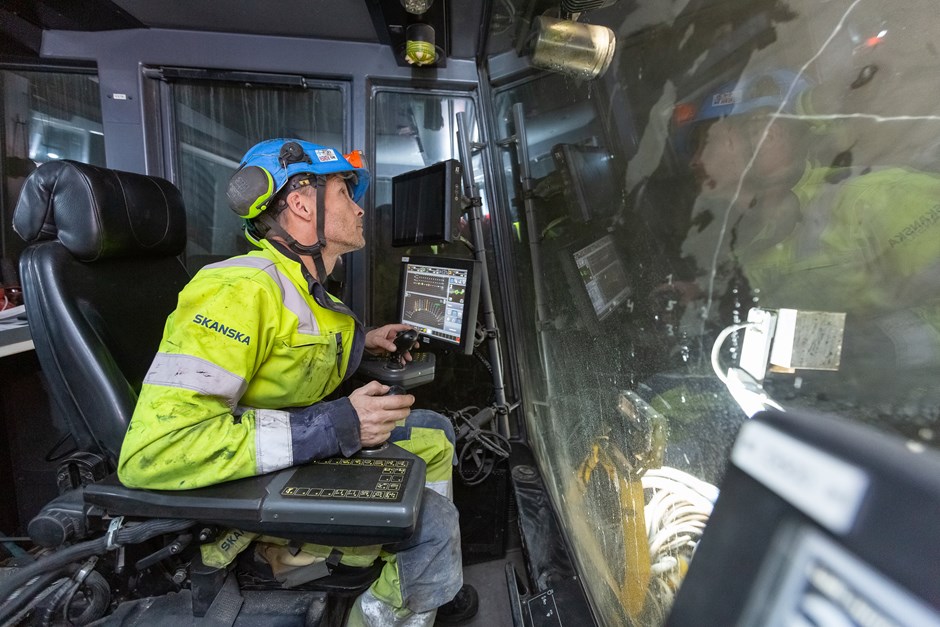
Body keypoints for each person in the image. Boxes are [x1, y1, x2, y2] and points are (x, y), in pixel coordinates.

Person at [117, 138, 478, 626]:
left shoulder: (295, 281)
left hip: (286, 454)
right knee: (434, 526)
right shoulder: (237, 290)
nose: (358, 208)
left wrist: (364, 342)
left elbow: (290, 357)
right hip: (245, 494)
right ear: (303, 204)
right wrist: (339, 424)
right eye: (345, 193)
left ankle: (430, 584)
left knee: (436, 431)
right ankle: (392, 606)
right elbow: (156, 451)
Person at [673, 69, 940, 408]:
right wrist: (705, 301)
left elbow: (845, 350)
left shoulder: (877, 199)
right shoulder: (757, 243)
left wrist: (880, 345)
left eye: (704, 142)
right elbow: (808, 343)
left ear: (767, 135)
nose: (694, 160)